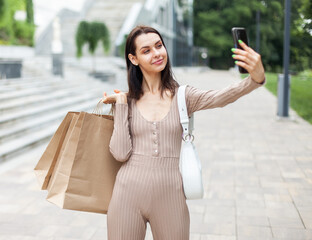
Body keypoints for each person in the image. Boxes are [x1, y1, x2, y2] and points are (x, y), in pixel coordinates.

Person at [102, 25, 265, 240]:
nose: (157, 53)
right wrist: (122, 104)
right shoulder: (126, 101)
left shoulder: (183, 96)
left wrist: (256, 79)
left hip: (170, 198)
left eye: (159, 46)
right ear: (134, 59)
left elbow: (221, 97)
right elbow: (120, 153)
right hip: (126, 197)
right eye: (147, 50)